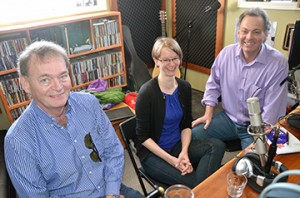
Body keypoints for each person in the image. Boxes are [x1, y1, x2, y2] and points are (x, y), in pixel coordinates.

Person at [4, 40, 144, 198]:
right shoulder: (18, 140)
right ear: (26, 84)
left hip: (110, 188)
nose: (58, 87)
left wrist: (111, 193)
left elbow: (113, 150)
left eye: (63, 76)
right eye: (45, 80)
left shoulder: (89, 104)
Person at [192, 7, 289, 149]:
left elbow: (272, 110)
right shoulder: (226, 54)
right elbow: (213, 84)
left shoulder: (278, 63)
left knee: (254, 163)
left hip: (257, 126)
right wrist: (208, 113)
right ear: (238, 33)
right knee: (192, 135)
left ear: (265, 35)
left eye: (256, 32)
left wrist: (261, 138)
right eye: (245, 31)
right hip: (228, 119)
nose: (249, 37)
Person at [135, 37, 225, 188]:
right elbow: (143, 137)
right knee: (196, 181)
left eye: (175, 58)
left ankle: (202, 185)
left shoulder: (184, 87)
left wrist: (184, 152)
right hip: (154, 155)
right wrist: (173, 161)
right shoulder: (147, 92)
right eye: (165, 60)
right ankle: (204, 186)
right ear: (156, 61)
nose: (171, 64)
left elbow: (185, 124)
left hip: (177, 146)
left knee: (217, 145)